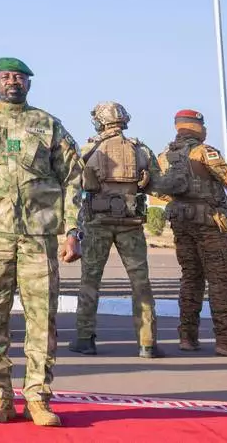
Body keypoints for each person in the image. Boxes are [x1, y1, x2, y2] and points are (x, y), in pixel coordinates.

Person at [0, 58, 83, 427]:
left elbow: (73, 178)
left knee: (42, 318)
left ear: (29, 83)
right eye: (6, 77)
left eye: (20, 77)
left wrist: (72, 230)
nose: (13, 82)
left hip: (39, 237)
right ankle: (0, 396)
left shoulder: (47, 124)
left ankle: (38, 397)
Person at [157, 110, 227, 356]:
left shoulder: (165, 156)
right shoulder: (205, 152)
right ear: (198, 128)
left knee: (191, 278)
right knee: (220, 281)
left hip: (180, 223)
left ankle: (187, 337)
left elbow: (159, 190)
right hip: (209, 224)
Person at [71, 102, 164, 358]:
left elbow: (73, 183)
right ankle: (147, 343)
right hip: (131, 224)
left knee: (90, 281)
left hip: (96, 223)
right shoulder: (141, 149)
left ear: (100, 121)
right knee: (140, 282)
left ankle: (85, 339)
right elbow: (157, 185)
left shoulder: (89, 149)